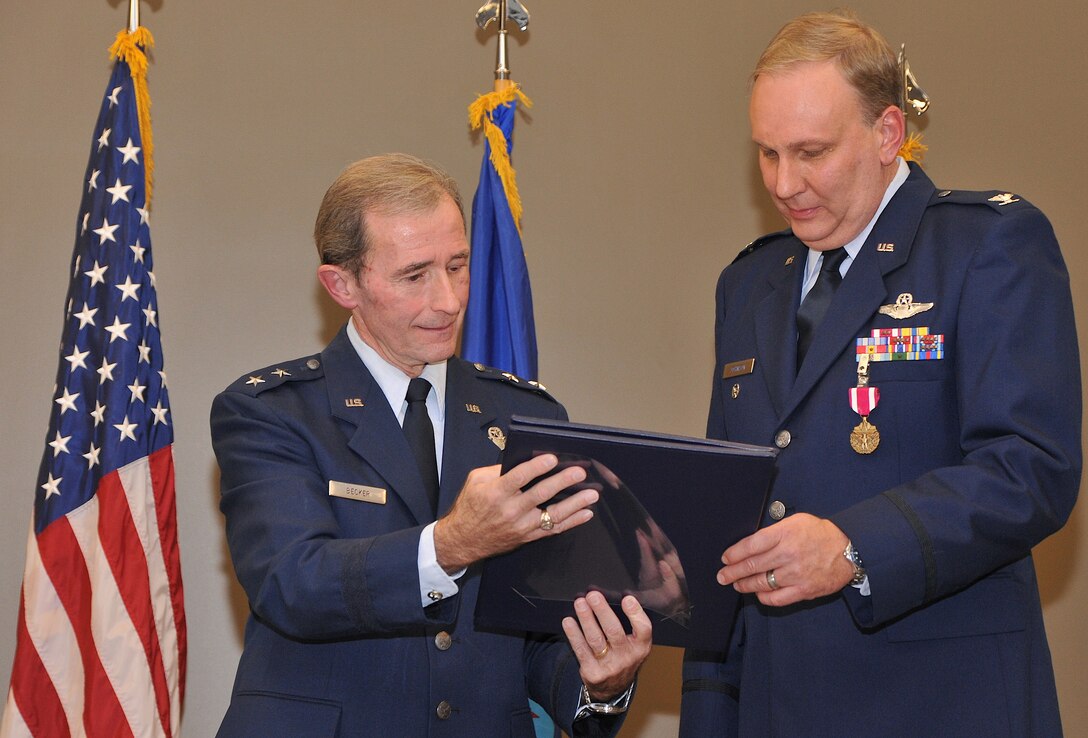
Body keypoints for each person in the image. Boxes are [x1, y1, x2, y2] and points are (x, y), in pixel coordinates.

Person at [681, 10, 1081, 737]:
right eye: (767, 154)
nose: (784, 182)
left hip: (939, 704)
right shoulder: (748, 285)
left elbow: (1031, 470)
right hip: (778, 707)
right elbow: (729, 516)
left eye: (811, 152)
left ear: (887, 133)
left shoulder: (984, 248)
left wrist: (853, 546)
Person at [211, 153, 652, 736]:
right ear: (342, 283)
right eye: (415, 275)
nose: (448, 300)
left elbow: (535, 631)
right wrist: (450, 544)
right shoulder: (271, 412)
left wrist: (601, 682)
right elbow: (293, 584)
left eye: (458, 265)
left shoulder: (525, 416)